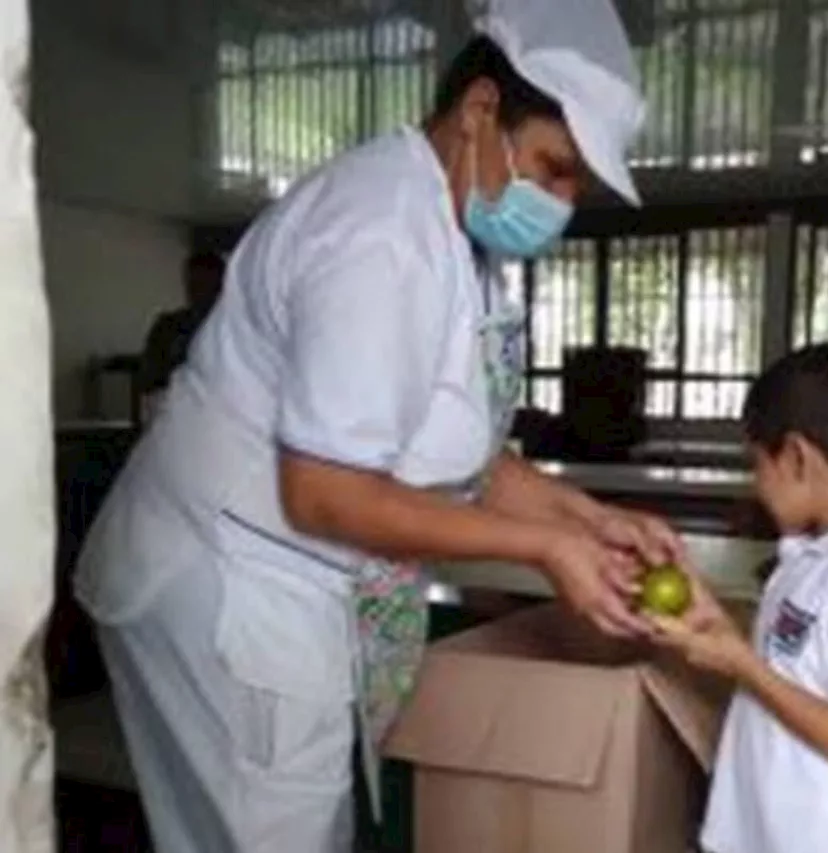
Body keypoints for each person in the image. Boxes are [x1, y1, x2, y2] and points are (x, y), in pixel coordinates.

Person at [73, 2, 681, 850]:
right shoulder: (380, 234)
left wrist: (588, 518)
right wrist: (543, 550)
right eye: (555, 167)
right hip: (232, 581)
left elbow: (462, 456)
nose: (563, 203)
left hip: (283, 578)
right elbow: (325, 492)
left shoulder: (455, 239)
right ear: (478, 111)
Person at [653, 343, 828, 853]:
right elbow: (794, 670)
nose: (756, 485)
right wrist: (719, 624)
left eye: (757, 464)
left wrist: (741, 664)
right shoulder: (813, 554)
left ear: (797, 456)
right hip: (766, 833)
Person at [138, 251, 225, 411]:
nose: (196, 292)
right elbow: (150, 379)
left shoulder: (230, 330)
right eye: (192, 285)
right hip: (175, 409)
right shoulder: (169, 327)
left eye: (204, 285)